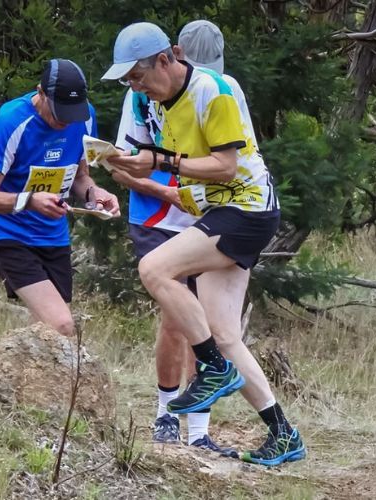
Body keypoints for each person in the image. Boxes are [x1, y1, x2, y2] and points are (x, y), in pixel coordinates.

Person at [103, 22, 304, 466]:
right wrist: (125, 162)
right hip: (219, 210)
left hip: (246, 208)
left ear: (165, 60)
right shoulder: (155, 98)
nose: (134, 87)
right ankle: (283, 434)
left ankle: (210, 367)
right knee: (228, 335)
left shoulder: (215, 89)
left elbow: (226, 166)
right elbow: (163, 165)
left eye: (137, 76)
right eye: (127, 81)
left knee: (154, 269)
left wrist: (158, 161)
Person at [0, 59, 119, 336]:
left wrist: (95, 194)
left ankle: (17, 376)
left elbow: (80, 175)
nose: (64, 122)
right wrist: (30, 200)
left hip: (52, 235)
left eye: (71, 114)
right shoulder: (12, 120)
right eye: (58, 113)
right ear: (41, 93)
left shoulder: (85, 117)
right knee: (61, 325)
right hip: (7, 231)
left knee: (46, 332)